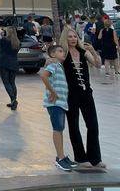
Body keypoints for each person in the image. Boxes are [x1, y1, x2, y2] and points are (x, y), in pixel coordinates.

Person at [59, 27, 104, 168]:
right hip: (70, 94)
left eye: (75, 36)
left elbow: (97, 65)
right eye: (70, 37)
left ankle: (95, 158)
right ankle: (80, 157)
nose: (73, 39)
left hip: (86, 93)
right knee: (74, 126)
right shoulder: (63, 55)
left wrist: (93, 52)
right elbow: (51, 65)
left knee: (93, 125)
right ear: (65, 39)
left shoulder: (83, 53)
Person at [40, 45, 77, 171]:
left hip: (60, 104)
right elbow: (43, 75)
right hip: (54, 103)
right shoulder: (54, 65)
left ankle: (61, 156)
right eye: (60, 51)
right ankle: (60, 158)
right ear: (53, 55)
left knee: (60, 129)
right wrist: (53, 92)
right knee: (57, 129)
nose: (63, 53)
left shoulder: (59, 66)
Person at [0, 26, 20, 110]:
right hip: (14, 63)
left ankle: (13, 100)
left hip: (4, 63)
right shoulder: (18, 42)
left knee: (6, 82)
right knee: (12, 82)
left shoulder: (4, 40)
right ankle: (13, 100)